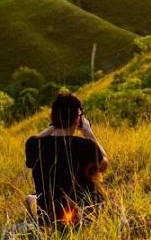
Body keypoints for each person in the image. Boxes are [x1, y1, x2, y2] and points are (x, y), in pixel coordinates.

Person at [25, 92, 109, 225]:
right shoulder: (86, 145)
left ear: (52, 117)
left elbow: (37, 138)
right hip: (85, 213)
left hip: (49, 216)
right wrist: (88, 132)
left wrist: (54, 126)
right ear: (77, 119)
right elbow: (104, 163)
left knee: (30, 198)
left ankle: (39, 211)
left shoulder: (33, 145)